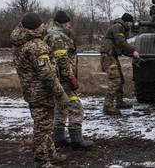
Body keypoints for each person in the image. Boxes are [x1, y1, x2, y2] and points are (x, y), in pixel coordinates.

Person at [10, 12, 67, 168]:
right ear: (36, 27)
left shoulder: (21, 42)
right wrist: (60, 93)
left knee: (45, 125)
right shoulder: (36, 45)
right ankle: (42, 162)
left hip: (31, 92)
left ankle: (50, 153)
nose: (44, 26)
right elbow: (47, 73)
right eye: (41, 24)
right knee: (42, 128)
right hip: (41, 93)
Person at [44, 10, 93, 150]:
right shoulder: (58, 37)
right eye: (68, 23)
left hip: (55, 77)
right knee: (75, 106)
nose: (69, 25)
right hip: (63, 78)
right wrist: (71, 77)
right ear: (63, 23)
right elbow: (61, 59)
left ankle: (58, 138)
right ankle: (76, 140)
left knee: (61, 106)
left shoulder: (50, 34)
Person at [100, 13, 140, 115]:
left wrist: (132, 54)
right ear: (127, 21)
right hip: (108, 56)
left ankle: (119, 101)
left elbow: (121, 49)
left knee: (120, 79)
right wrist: (133, 50)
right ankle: (108, 106)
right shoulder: (118, 27)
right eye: (130, 22)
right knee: (115, 80)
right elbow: (121, 43)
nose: (131, 25)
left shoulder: (121, 28)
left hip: (112, 56)